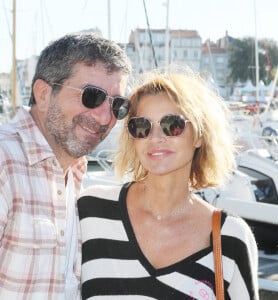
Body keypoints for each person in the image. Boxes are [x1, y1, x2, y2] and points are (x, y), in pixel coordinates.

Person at [78, 66, 259, 299]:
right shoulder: (92, 210)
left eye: (172, 125)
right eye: (142, 126)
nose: (155, 138)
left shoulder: (231, 238)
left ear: (200, 135)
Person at [0, 33, 131, 299]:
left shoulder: (75, 173)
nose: (105, 117)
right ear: (43, 93)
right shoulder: (5, 162)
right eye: (92, 96)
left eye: (117, 104)